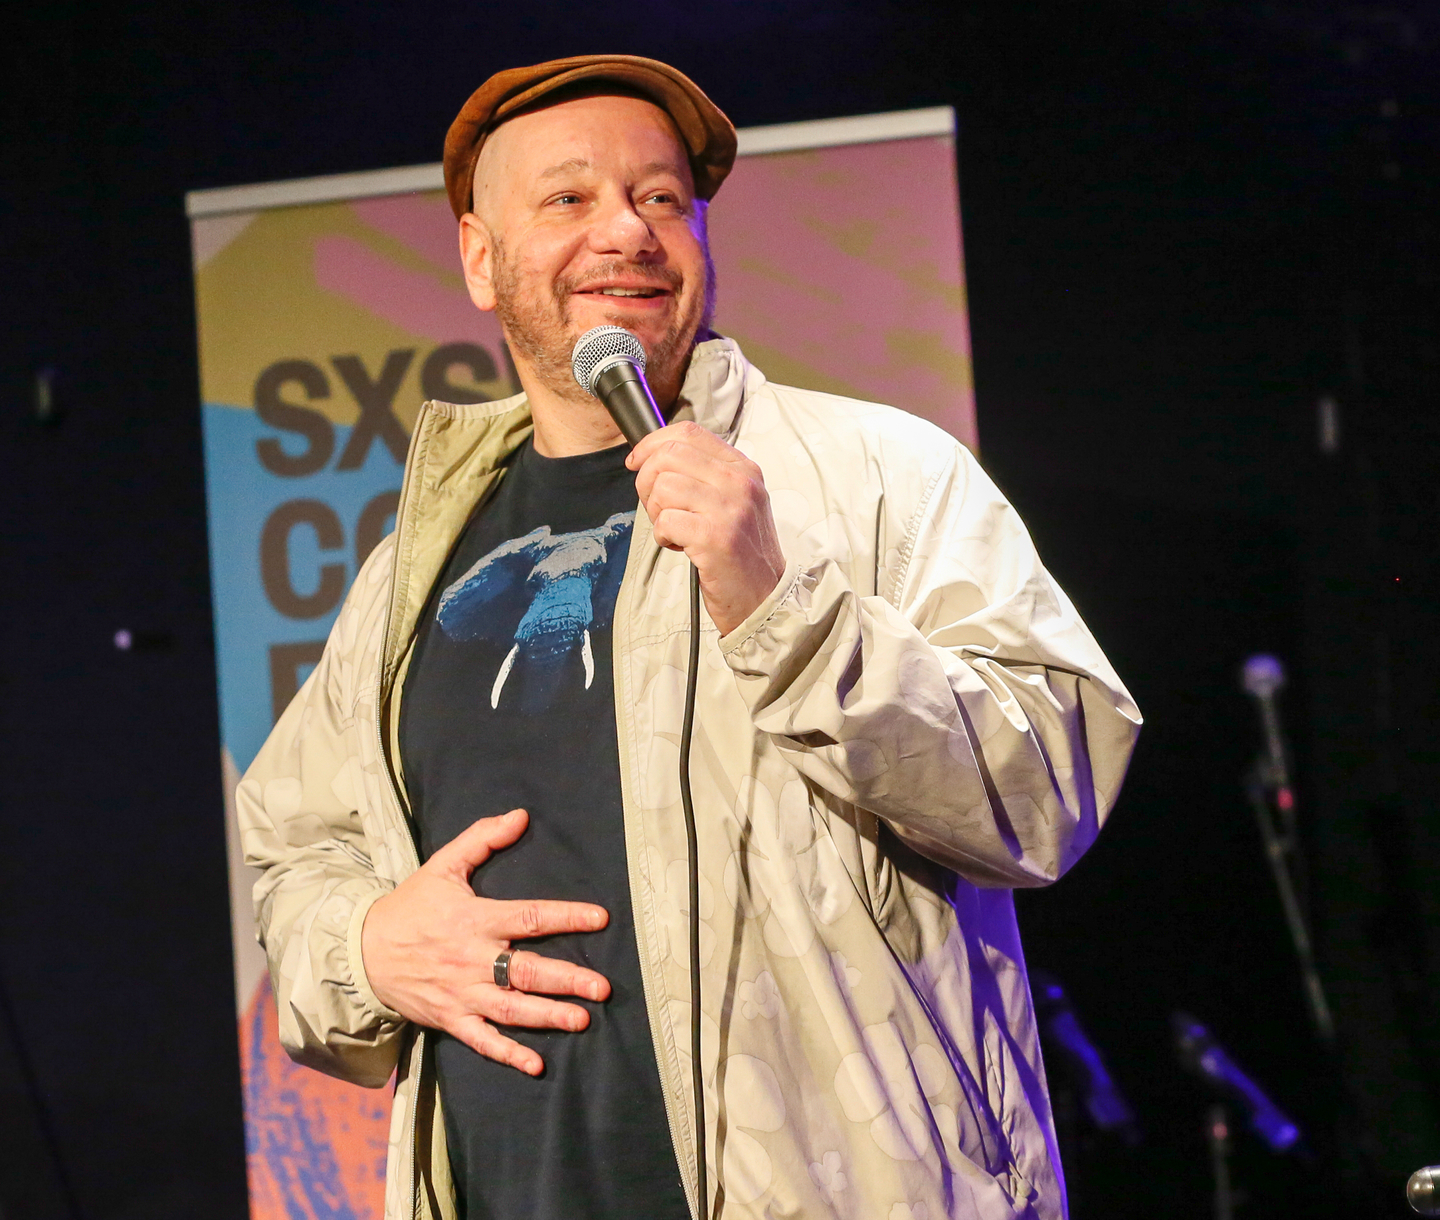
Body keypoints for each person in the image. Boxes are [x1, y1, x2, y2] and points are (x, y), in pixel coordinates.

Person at [238, 54, 1140, 1220]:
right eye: (569, 199)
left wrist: (783, 603)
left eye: (663, 198)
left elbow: (1049, 783)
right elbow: (292, 850)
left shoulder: (874, 475)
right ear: (478, 256)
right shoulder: (411, 574)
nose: (628, 231)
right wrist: (370, 946)